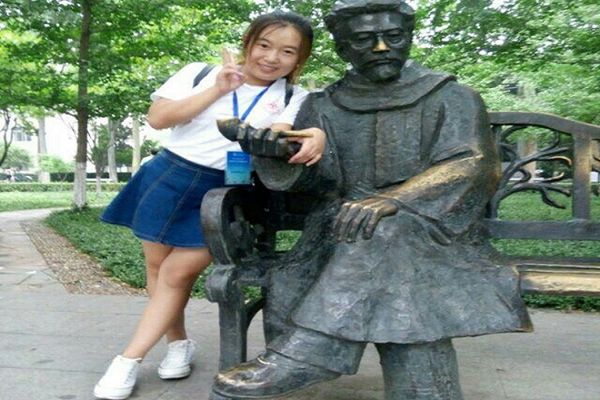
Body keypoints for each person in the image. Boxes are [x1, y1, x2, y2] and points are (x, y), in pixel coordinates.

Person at [211, 1, 532, 399]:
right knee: (374, 239)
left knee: (384, 231)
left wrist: (397, 199)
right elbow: (315, 182)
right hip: (340, 229)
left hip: (436, 228)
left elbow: (473, 164)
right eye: (365, 39)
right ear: (343, 48)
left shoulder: (452, 97)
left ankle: (308, 352)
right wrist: (278, 154)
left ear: (408, 38)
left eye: (393, 36)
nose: (381, 47)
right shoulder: (324, 104)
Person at [94, 11, 324, 400]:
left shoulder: (292, 97)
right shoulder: (199, 73)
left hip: (223, 193)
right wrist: (217, 89)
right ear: (248, 42)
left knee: (177, 274)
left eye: (287, 51)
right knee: (157, 269)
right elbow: (158, 118)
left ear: (299, 58)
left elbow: (280, 134)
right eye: (264, 45)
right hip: (168, 175)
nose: (272, 57)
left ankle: (127, 360)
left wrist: (314, 132)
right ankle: (179, 344)